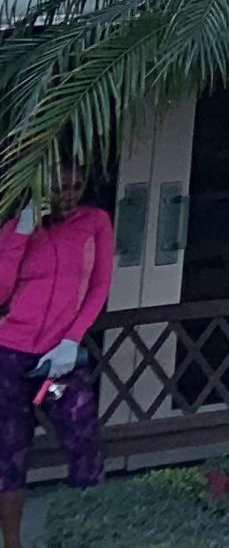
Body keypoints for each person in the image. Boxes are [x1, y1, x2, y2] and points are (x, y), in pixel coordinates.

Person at [0, 164, 113, 548]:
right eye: (61, 187)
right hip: (11, 357)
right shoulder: (17, 226)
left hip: (55, 364)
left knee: (81, 430)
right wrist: (22, 229)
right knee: (9, 449)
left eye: (77, 186)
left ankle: (83, 532)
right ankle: (12, 542)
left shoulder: (94, 222)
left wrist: (71, 340)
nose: (69, 194)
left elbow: (99, 286)